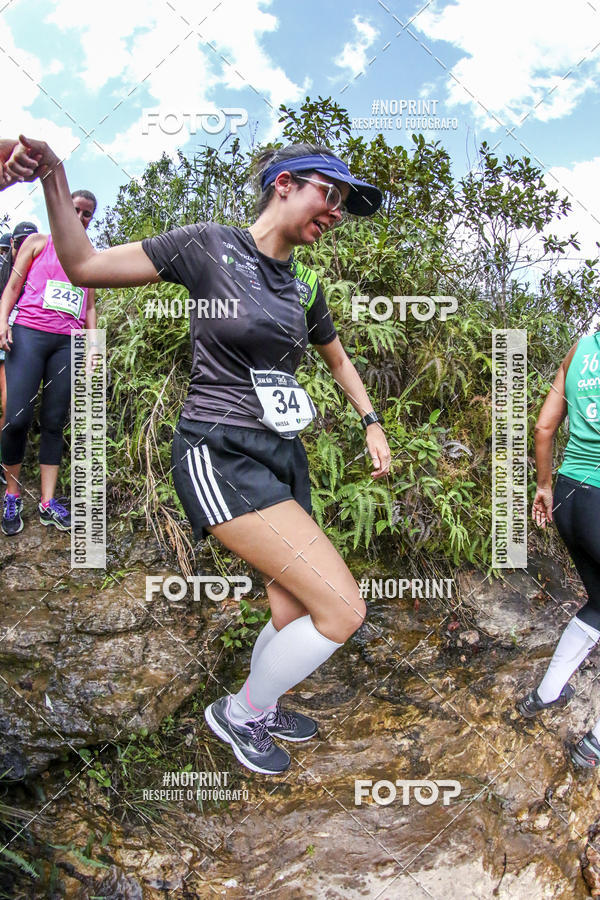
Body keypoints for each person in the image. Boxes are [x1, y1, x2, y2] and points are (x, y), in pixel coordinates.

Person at [9, 134, 391, 775]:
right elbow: (85, 267)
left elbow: (338, 357)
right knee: (342, 608)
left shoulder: (303, 285)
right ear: (286, 183)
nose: (337, 212)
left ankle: (259, 706)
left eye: (346, 204)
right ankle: (240, 713)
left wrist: (371, 421)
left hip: (279, 455)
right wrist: (53, 174)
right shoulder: (209, 245)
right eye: (331, 195)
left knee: (292, 606)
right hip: (217, 451)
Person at [517, 331, 600, 769]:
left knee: (599, 602)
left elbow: (544, 426)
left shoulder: (580, 349)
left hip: (569, 495)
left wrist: (544, 486)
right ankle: (594, 744)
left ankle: (543, 695)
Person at [0, 194, 97, 535]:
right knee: (16, 419)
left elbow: (89, 308)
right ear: (61, 208)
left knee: (55, 422)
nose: (80, 217)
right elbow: (12, 287)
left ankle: (47, 502)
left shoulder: (88, 257)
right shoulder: (37, 243)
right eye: (75, 209)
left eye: (87, 214)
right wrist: (2, 321)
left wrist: (92, 347)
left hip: (67, 344)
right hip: (28, 334)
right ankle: (11, 495)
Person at [0, 222, 40, 485]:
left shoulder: (36, 274)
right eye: (19, 242)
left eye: (30, 242)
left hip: (14, 346)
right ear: (12, 245)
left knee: (9, 407)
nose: (23, 247)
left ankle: (5, 464)